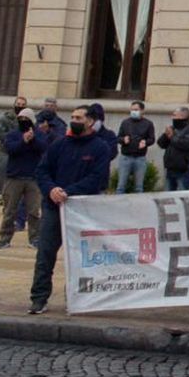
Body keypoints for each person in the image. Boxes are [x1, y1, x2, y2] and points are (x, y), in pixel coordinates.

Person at [28, 105, 112, 313]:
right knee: (45, 255)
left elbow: (97, 178)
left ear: (90, 121)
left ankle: (77, 298)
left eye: (78, 117)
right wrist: (52, 190)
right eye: (72, 116)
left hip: (83, 212)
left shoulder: (100, 147)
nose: (74, 120)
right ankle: (39, 298)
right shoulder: (59, 144)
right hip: (53, 207)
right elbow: (42, 171)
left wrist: (69, 192)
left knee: (80, 258)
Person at [0, 105, 45, 249]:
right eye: (21, 118)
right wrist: (23, 141)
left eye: (26, 119)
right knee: (10, 210)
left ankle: (34, 239)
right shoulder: (12, 134)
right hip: (14, 177)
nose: (23, 121)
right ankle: (4, 238)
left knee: (34, 211)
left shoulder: (39, 134)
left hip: (33, 178)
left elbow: (44, 148)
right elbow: (11, 149)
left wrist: (33, 139)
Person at [0, 95, 29, 217]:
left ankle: (8, 207)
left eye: (22, 105)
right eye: (18, 104)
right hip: (5, 152)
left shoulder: (26, 120)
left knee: (13, 183)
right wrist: (13, 140)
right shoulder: (6, 118)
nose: (19, 107)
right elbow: (0, 134)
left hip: (19, 153)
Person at [114, 100, 156, 193]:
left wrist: (145, 142)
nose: (133, 112)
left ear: (142, 111)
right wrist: (123, 140)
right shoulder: (125, 122)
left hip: (140, 158)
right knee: (121, 186)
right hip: (126, 157)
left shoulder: (148, 123)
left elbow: (152, 139)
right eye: (132, 110)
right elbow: (118, 137)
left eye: (136, 110)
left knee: (139, 187)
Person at [155, 107, 189, 191]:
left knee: (183, 194)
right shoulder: (173, 128)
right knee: (168, 195)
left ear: (183, 116)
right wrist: (166, 135)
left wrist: (172, 136)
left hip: (183, 170)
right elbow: (161, 144)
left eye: (175, 115)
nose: (172, 117)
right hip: (170, 168)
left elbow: (186, 144)